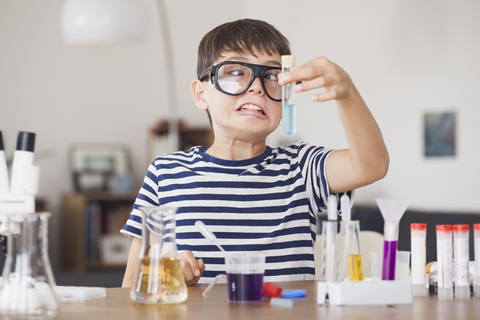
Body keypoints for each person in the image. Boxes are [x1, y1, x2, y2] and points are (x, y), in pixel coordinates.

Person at [121, 19, 389, 287]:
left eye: (272, 75)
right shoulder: (165, 173)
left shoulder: (301, 168)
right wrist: (166, 277)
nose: (257, 86)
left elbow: (371, 166)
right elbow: (130, 286)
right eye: (236, 72)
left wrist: (348, 94)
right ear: (201, 94)